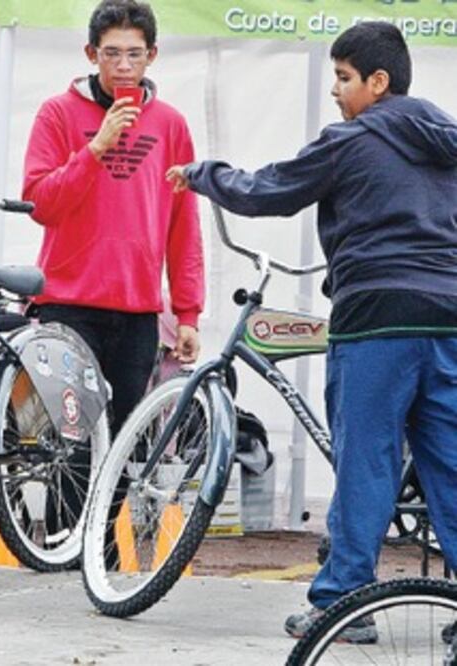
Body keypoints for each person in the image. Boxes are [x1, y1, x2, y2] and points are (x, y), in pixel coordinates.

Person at [167, 21, 457, 643]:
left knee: (366, 462)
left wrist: (202, 174)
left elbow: (268, 190)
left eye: (344, 78)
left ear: (377, 83)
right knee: (452, 466)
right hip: (449, 316)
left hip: (377, 315)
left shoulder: (352, 140)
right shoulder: (449, 143)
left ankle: (343, 603)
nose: (335, 91)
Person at [21, 0, 204, 523]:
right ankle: (60, 540)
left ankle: (97, 549)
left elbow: (183, 225)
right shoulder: (58, 114)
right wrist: (96, 147)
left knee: (124, 440)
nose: (122, 66)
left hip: (137, 310)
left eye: (134, 54)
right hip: (67, 304)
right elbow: (41, 202)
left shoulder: (170, 125)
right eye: (111, 54)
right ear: (90, 54)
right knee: (70, 439)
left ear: (152, 56)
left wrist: (187, 312)